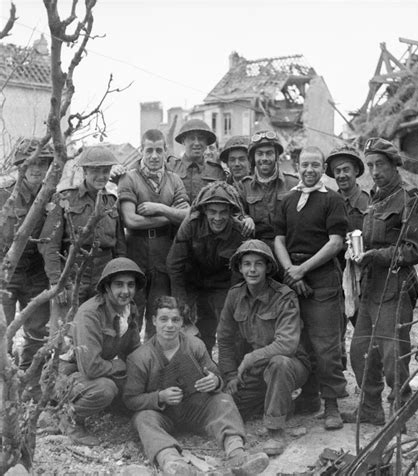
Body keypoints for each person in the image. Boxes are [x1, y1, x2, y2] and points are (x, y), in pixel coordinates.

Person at [123, 296, 269, 476]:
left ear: (182, 322)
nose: (169, 325)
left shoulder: (195, 345)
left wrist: (214, 382)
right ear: (154, 321)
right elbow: (130, 400)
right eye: (163, 319)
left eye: (175, 320)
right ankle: (170, 461)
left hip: (195, 409)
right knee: (143, 418)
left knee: (223, 400)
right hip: (163, 415)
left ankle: (237, 453)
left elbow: (217, 376)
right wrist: (159, 397)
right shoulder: (140, 357)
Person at [345, 138, 418, 426]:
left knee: (395, 356)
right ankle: (370, 408)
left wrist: (376, 255)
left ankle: (400, 411)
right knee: (360, 352)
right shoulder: (375, 197)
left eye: (379, 164)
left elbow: (417, 248)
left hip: (395, 288)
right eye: (369, 165)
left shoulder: (409, 198)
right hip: (370, 289)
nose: (374, 170)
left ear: (394, 165)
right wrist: (356, 250)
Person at [274, 145, 348, 431]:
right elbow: (279, 239)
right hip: (292, 278)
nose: (309, 170)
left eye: (315, 165)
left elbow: (335, 243)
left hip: (323, 279)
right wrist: (291, 273)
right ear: (297, 164)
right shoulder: (286, 200)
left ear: (323, 168)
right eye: (304, 165)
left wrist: (303, 270)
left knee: (326, 344)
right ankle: (308, 398)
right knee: (298, 341)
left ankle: (332, 405)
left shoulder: (333, 200)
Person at [217, 240, 310, 456]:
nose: (252, 269)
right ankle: (283, 400)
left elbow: (287, 344)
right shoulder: (234, 295)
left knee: (280, 364)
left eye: (258, 264)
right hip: (257, 372)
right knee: (228, 404)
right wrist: (230, 375)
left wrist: (250, 358)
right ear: (239, 268)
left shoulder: (284, 296)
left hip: (291, 365)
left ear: (268, 268)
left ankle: (275, 431)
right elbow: (224, 338)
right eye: (247, 264)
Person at [58, 258, 145, 446]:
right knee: (105, 389)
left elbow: (134, 350)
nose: (125, 291)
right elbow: (90, 367)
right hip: (69, 373)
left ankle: (110, 406)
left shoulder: (130, 309)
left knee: (140, 383)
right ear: (106, 287)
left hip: (96, 370)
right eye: (119, 285)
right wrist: (119, 366)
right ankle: (69, 419)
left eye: (131, 285)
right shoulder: (91, 313)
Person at [118, 129, 189, 339]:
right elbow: (131, 220)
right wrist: (171, 216)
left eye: (159, 150)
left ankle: (155, 365)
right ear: (142, 151)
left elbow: (187, 215)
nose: (154, 156)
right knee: (132, 314)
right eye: (149, 150)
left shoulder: (174, 180)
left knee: (158, 314)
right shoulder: (129, 179)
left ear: (166, 151)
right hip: (136, 254)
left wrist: (160, 208)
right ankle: (130, 363)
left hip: (164, 254)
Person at [40, 146, 126, 308]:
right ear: (85, 171)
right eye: (95, 171)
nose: (101, 176)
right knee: (68, 327)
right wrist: (57, 282)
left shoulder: (112, 202)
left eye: (105, 171)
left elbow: (119, 247)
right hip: (72, 274)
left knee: (101, 327)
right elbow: (49, 244)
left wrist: (119, 279)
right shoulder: (65, 198)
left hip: (104, 275)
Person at [166, 181, 246, 354]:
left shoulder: (239, 232)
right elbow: (174, 264)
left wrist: (231, 306)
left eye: (223, 212)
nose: (218, 218)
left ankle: (230, 372)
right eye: (213, 212)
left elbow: (238, 276)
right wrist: (181, 304)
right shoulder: (191, 224)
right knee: (193, 330)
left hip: (222, 284)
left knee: (230, 328)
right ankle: (199, 365)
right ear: (204, 211)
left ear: (231, 212)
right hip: (193, 281)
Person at [0, 139, 53, 370]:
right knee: (3, 332)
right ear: (20, 166)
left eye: (43, 163)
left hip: (36, 272)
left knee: (38, 331)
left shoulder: (52, 195)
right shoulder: (4, 194)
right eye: (31, 163)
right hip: (6, 271)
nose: (37, 169)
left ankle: (29, 384)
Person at [325, 145, 369, 368]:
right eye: (337, 171)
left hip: (363, 277)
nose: (341, 175)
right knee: (334, 332)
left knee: (364, 332)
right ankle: (338, 382)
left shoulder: (370, 203)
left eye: (346, 169)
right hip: (334, 274)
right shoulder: (329, 202)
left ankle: (369, 382)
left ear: (356, 171)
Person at [237, 130, 298, 248]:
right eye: (259, 153)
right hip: (255, 248)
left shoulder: (293, 184)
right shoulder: (244, 186)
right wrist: (245, 218)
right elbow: (236, 212)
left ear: (276, 156)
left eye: (269, 153)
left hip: (288, 246)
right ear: (253, 158)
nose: (264, 158)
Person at [167, 119, 226, 203]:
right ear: (183, 141)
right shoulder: (171, 168)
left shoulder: (216, 171)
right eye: (192, 138)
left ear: (206, 143)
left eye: (201, 138)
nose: (197, 143)